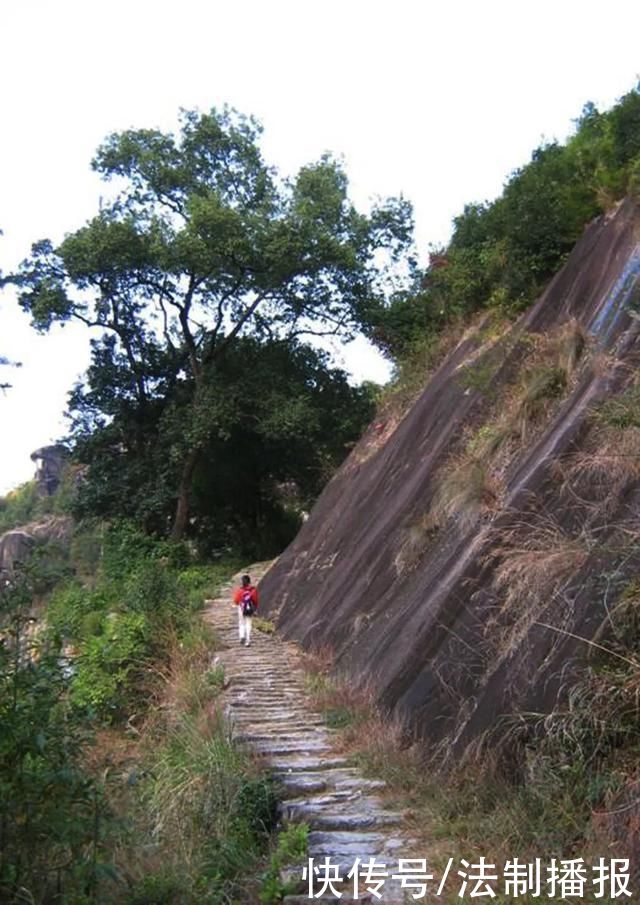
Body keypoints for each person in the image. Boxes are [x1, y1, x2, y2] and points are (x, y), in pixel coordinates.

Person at [233, 574, 259, 647]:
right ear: (249, 581)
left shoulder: (240, 590)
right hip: (250, 608)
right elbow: (255, 600)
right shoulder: (253, 590)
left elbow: (236, 600)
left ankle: (242, 636)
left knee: (241, 623)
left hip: (241, 608)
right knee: (248, 623)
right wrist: (255, 608)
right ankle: (248, 640)